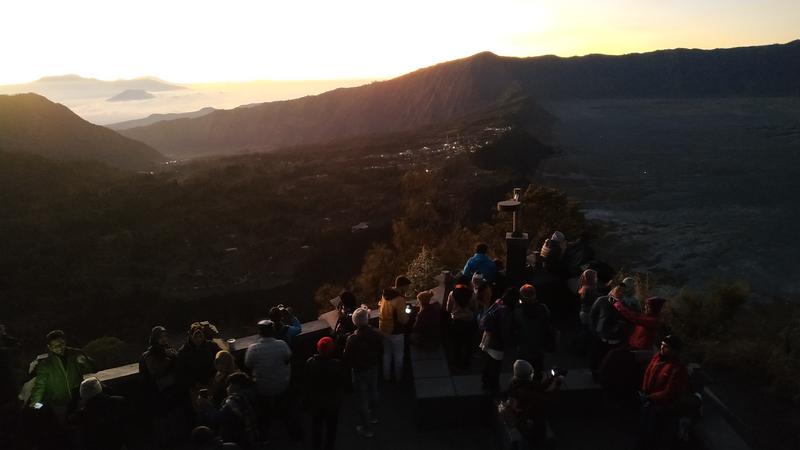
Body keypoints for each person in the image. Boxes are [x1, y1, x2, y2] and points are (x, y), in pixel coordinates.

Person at [244, 319, 301, 442]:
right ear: (272, 331)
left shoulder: (253, 349)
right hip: (282, 385)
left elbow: (248, 364)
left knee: (263, 413)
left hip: (263, 388)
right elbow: (288, 357)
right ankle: (296, 435)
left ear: (259, 332)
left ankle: (263, 438)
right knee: (287, 411)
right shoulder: (281, 345)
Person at [29, 330, 95, 424]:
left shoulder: (76, 354)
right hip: (59, 405)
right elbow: (40, 385)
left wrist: (85, 362)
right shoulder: (46, 364)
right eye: (55, 346)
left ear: (65, 342)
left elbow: (94, 369)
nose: (60, 348)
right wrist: (35, 403)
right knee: (65, 426)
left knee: (83, 424)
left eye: (62, 344)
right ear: (49, 347)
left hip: (79, 400)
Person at [140, 325, 190, 448]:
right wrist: (168, 358)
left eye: (165, 336)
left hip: (172, 390)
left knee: (176, 417)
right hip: (159, 393)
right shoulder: (149, 354)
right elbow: (155, 373)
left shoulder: (168, 350)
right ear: (155, 339)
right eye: (160, 337)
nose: (163, 339)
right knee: (164, 422)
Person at [637, 335, 689, 450]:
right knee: (643, 427)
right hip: (647, 399)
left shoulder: (678, 369)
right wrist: (644, 389)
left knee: (652, 431)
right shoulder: (657, 357)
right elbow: (648, 372)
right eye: (662, 344)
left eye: (666, 346)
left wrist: (651, 398)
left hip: (660, 406)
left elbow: (670, 391)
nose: (661, 347)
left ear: (674, 350)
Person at [506, 359, 563, 449]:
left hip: (524, 419)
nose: (533, 374)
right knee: (534, 441)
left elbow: (540, 387)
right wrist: (557, 385)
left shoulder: (516, 382)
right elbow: (546, 400)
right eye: (531, 372)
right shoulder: (525, 392)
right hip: (530, 421)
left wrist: (552, 377)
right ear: (526, 375)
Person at [343, 307, 382, 438]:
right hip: (373, 367)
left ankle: (367, 429)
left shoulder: (352, 339)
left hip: (359, 371)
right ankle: (374, 417)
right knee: (374, 391)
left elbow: (346, 357)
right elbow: (380, 348)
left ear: (355, 322)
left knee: (362, 399)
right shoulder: (376, 333)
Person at [197, 372, 260, 449]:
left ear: (236, 386)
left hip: (238, 442)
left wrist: (206, 405)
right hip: (253, 439)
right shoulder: (251, 396)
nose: (227, 388)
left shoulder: (235, 400)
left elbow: (217, 418)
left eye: (229, 385)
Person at [305, 337, 347, 450]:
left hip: (316, 401)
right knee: (331, 427)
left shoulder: (310, 362)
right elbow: (342, 382)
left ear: (318, 349)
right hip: (333, 402)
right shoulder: (337, 365)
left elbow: (306, 382)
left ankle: (316, 446)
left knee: (316, 425)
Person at [72, 377, 129, 450]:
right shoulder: (118, 402)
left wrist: (74, 399)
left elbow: (68, 420)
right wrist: (105, 388)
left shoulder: (82, 414)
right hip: (118, 444)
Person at [480, 287, 517, 392]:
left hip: (487, 337)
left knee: (488, 363)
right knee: (495, 366)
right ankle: (494, 386)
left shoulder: (498, 302)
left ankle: (485, 382)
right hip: (497, 342)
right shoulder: (507, 311)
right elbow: (505, 331)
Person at [512, 284, 554, 373]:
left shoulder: (517, 311)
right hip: (539, 347)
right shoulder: (543, 309)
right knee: (538, 372)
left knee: (523, 373)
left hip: (523, 349)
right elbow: (547, 326)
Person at [378, 276, 411, 381]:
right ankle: (399, 378)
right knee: (398, 356)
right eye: (407, 287)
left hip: (383, 328)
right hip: (395, 332)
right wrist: (408, 313)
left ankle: (386, 377)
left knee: (386, 354)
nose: (408, 289)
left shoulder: (385, 294)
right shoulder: (399, 299)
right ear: (403, 286)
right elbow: (402, 320)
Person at [176, 323, 222, 394]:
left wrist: (219, 374)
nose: (198, 339)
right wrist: (193, 384)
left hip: (213, 380)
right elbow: (181, 372)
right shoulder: (183, 352)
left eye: (200, 336)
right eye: (195, 336)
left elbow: (222, 357)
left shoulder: (211, 345)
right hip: (195, 386)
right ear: (190, 336)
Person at [446, 283, 478, 368]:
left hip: (456, 321)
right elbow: (475, 309)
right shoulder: (472, 294)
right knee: (469, 343)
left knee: (457, 343)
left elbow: (448, 309)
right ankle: (467, 362)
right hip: (468, 322)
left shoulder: (452, 294)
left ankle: (457, 361)